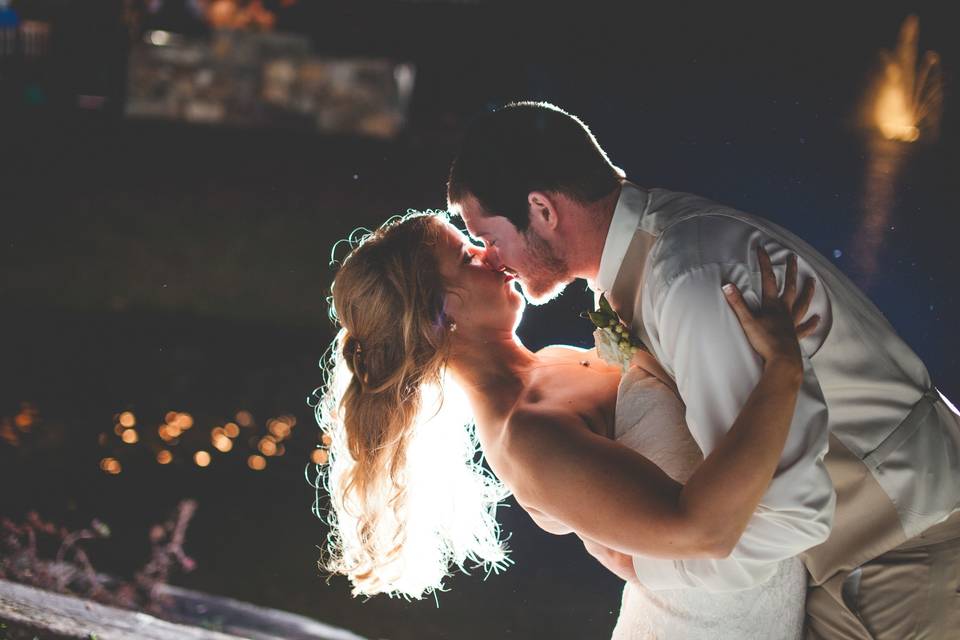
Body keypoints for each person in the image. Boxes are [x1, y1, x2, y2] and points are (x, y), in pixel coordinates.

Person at [446, 101, 960, 639]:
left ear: (543, 210)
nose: (491, 256)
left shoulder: (689, 281)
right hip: (850, 564)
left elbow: (784, 507)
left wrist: (647, 563)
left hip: (904, 552)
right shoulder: (650, 260)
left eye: (489, 236)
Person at [312, 210, 819, 638]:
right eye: (467, 256)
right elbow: (702, 532)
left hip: (765, 599)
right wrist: (782, 371)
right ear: (439, 317)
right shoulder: (529, 433)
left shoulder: (550, 362)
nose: (489, 253)